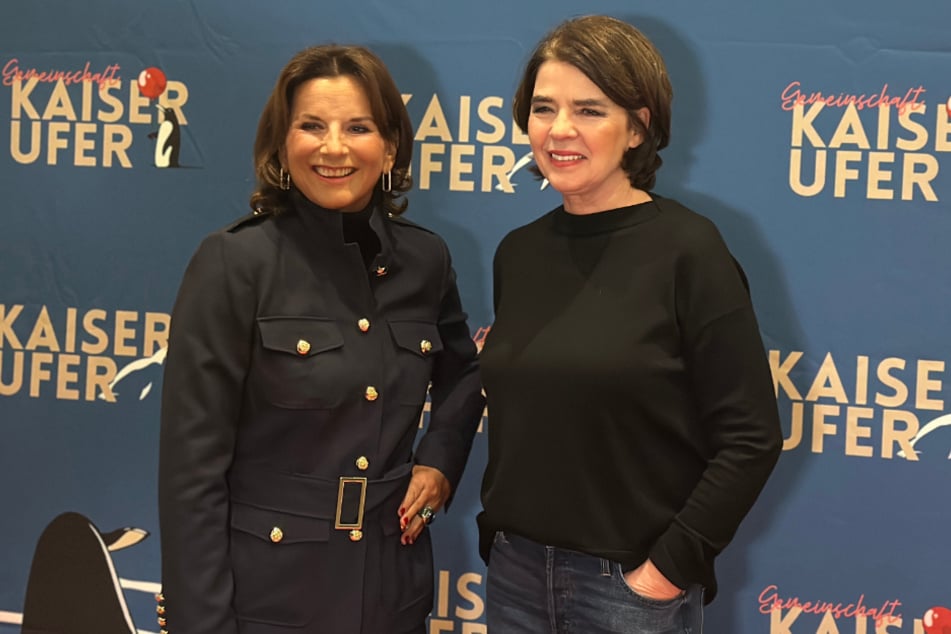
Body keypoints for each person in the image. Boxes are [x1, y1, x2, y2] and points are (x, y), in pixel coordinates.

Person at [157, 44, 485, 634]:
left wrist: (439, 462)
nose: (333, 148)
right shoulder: (235, 262)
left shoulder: (425, 260)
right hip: (267, 598)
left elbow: (466, 373)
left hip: (391, 591)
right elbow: (191, 476)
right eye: (311, 126)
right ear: (283, 145)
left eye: (357, 127)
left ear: (389, 146)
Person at [478, 15, 783, 633]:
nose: (559, 130)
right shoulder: (518, 252)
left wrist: (662, 573)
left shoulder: (689, 251)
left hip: (629, 592)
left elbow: (751, 437)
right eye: (543, 108)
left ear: (638, 127)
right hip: (514, 579)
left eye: (590, 110)